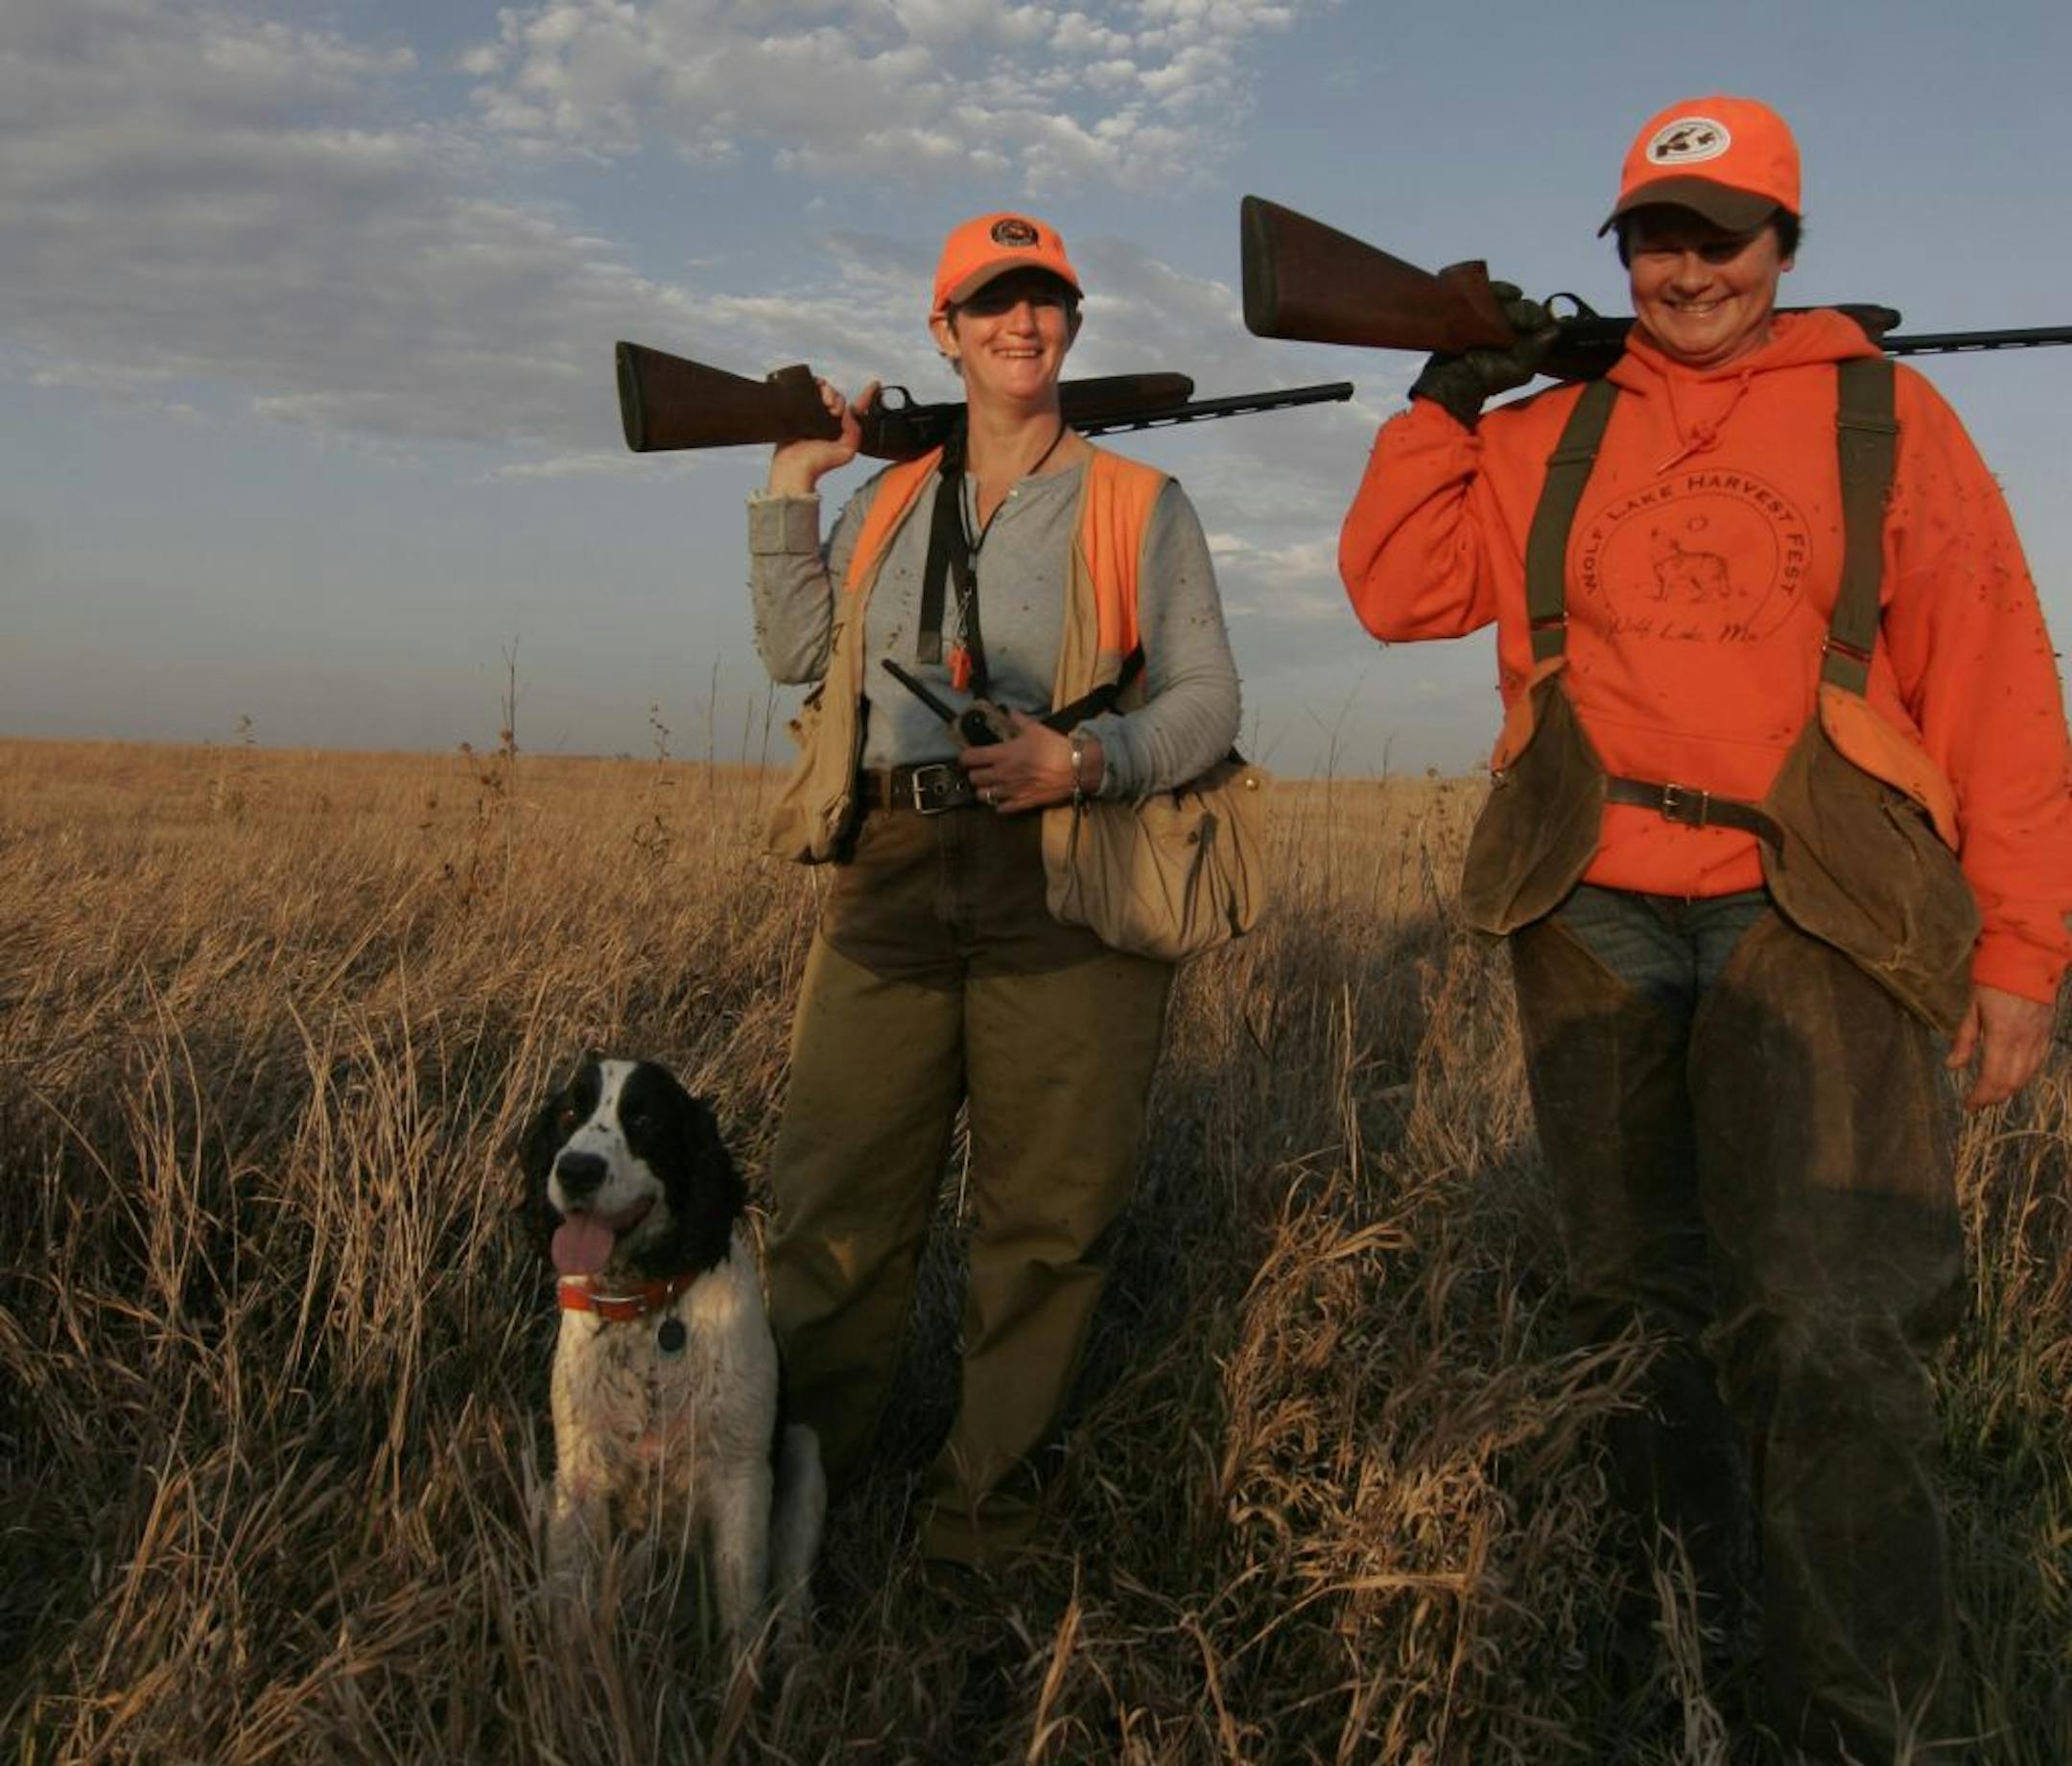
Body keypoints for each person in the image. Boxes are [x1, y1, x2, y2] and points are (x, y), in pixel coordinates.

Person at [1339, 95, 2072, 1758]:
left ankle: (1875, 1717)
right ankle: (1674, 1655)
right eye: (1655, 239)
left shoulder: (1892, 419)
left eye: (1723, 236)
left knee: (1829, 1319)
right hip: (1588, 905)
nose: (1688, 269)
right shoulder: (1547, 427)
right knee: (1632, 1307)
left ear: (1785, 245)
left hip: (1813, 903)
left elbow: (2002, 688)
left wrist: (2023, 953)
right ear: (1623, 252)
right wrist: (1447, 388)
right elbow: (1395, 588)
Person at [744, 211, 1240, 1574]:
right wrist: (793, 480)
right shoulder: (889, 497)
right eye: (993, 306)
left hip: (1065, 877)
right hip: (893, 869)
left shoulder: (1141, 504)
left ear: (1071, 326)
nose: (1024, 327)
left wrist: (1086, 756)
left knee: (1045, 1220)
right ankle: (794, 1510)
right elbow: (799, 646)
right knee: (835, 1194)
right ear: (945, 333)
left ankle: (984, 1527)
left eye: (1047, 304)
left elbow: (1210, 702)